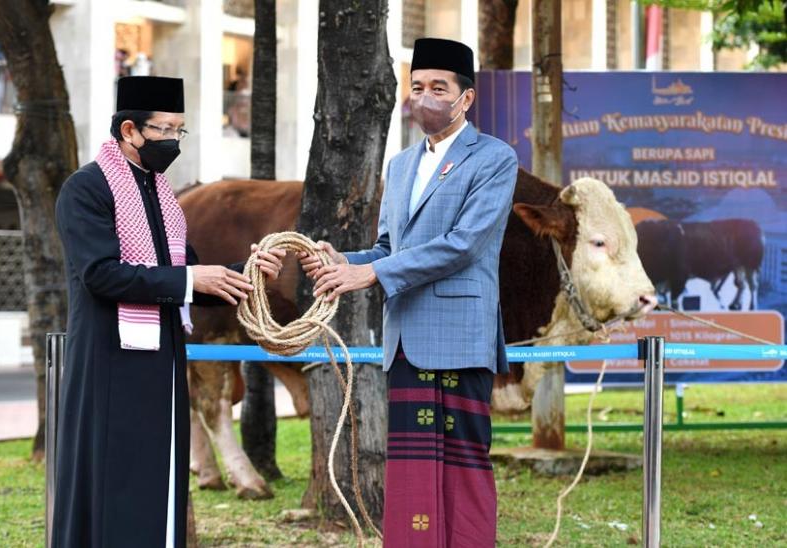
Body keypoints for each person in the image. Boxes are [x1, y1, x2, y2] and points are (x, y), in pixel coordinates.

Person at [299, 38, 518, 547]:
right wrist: (343, 262)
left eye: (439, 88)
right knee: (413, 479)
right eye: (417, 87)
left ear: (466, 99)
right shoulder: (399, 166)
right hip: (406, 342)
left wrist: (371, 276)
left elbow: (462, 245)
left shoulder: (494, 159)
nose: (425, 98)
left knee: (463, 472)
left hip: (461, 339)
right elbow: (387, 247)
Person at [52, 76, 284, 547]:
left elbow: (190, 277)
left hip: (162, 359)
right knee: (115, 479)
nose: (172, 142)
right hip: (108, 362)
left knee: (161, 478)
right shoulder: (87, 190)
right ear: (130, 131)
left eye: (179, 131)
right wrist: (188, 281)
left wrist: (248, 272)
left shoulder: (159, 195)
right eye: (163, 130)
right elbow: (101, 274)